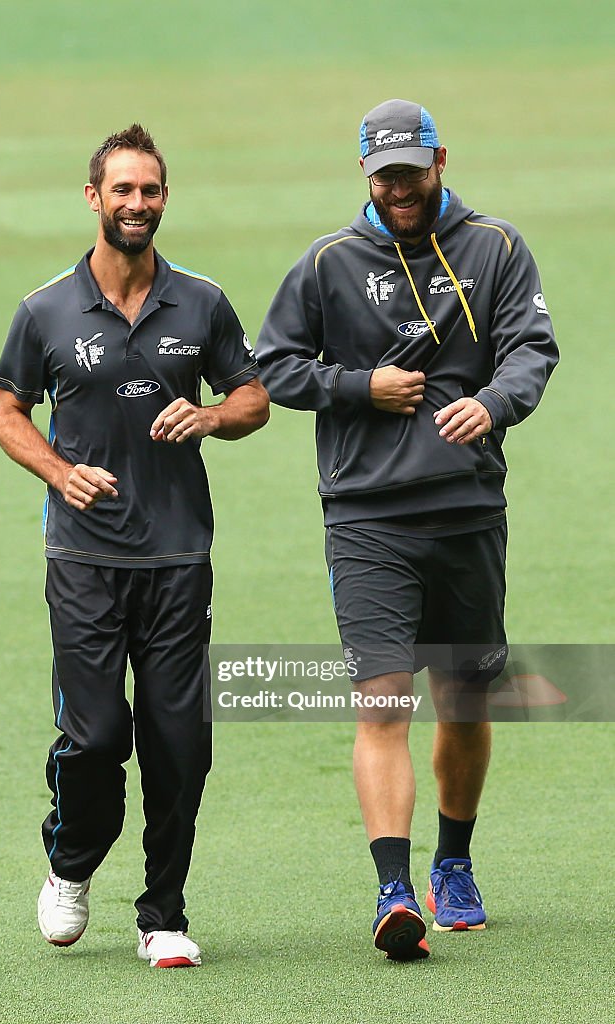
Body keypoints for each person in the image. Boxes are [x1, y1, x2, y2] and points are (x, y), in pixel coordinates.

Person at [255, 99, 558, 960]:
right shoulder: (327, 262)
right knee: (382, 698)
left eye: (412, 172)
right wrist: (358, 387)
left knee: (465, 699)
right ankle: (393, 890)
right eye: (385, 175)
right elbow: (275, 363)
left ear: (440, 160)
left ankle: (452, 863)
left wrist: (493, 404)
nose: (400, 189)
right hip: (366, 518)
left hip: (467, 512)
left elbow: (533, 348)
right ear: (364, 173)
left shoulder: (496, 247)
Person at [0, 124, 269, 968]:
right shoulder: (44, 309)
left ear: (164, 197)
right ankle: (70, 862)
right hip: (83, 559)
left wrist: (212, 415)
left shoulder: (203, 302)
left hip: (180, 558)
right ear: (93, 198)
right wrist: (57, 471)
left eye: (150, 190)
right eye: (122, 190)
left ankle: (163, 915)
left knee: (181, 744)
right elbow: (8, 412)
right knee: (99, 735)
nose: (137, 204)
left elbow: (252, 397)